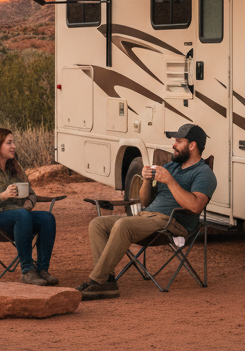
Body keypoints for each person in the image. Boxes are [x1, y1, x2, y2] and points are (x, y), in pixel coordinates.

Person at [76, 123, 216, 299]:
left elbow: (196, 206)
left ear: (192, 145)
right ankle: (107, 281)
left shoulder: (203, 173)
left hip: (173, 222)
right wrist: (146, 181)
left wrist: (170, 181)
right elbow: (145, 201)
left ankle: (97, 281)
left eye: (179, 141)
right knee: (98, 224)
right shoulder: (171, 167)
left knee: (123, 225)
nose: (173, 145)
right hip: (148, 217)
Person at [0, 127, 58, 286]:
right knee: (20, 215)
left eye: (13, 142)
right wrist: (2, 196)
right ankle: (27, 271)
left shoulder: (14, 168)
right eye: (9, 143)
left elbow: (31, 193)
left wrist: (30, 202)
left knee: (47, 218)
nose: (14, 146)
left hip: (17, 217)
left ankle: (42, 270)